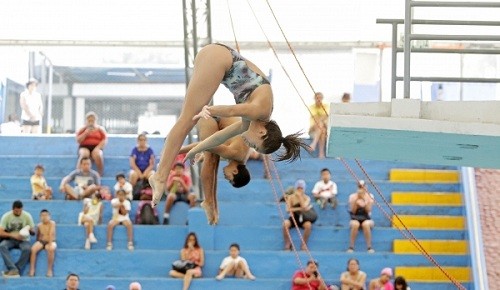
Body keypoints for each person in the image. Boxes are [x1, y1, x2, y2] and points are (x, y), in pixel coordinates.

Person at [149, 43, 309, 206]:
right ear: (262, 133)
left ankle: (160, 175)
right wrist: (209, 110)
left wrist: (194, 151)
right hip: (219, 59)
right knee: (187, 120)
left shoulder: (253, 120)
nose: (250, 146)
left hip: (219, 58)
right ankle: (160, 177)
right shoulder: (259, 110)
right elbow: (232, 110)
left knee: (188, 120)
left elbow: (219, 137)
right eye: (255, 146)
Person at [178, 116, 251, 225]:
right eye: (230, 179)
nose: (226, 178)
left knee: (213, 157)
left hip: (219, 121)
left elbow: (217, 149)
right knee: (211, 157)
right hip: (210, 116)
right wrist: (178, 151)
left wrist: (215, 207)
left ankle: (212, 204)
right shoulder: (235, 153)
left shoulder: (239, 157)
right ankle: (208, 201)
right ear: (235, 171)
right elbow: (205, 145)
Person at [0, 200, 35, 277]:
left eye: (20, 211)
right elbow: (1, 232)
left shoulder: (27, 216)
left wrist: (29, 230)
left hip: (23, 240)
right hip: (11, 239)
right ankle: (12, 268)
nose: (18, 213)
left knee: (27, 249)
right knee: (2, 246)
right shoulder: (6, 216)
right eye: (16, 211)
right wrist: (13, 235)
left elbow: (33, 232)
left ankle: (16, 269)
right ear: (13, 209)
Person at [283, 180, 317, 251]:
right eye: (298, 188)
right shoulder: (291, 197)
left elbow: (304, 206)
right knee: (285, 224)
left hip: (303, 217)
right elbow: (288, 209)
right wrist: (299, 208)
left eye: (301, 188)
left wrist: (300, 197)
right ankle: (288, 243)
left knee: (308, 225)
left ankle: (303, 244)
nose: (299, 190)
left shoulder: (306, 198)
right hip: (293, 217)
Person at [347, 180, 375, 253]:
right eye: (360, 187)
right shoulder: (352, 196)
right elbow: (353, 211)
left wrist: (364, 200)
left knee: (365, 224)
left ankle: (369, 246)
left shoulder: (370, 196)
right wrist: (357, 201)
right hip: (355, 217)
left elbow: (368, 210)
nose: (362, 188)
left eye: (363, 186)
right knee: (355, 224)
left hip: (366, 218)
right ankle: (351, 247)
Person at [76, 111, 107, 176]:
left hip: (96, 147)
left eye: (92, 120)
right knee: (84, 154)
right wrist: (85, 133)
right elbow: (78, 140)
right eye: (89, 120)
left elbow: (104, 140)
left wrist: (98, 148)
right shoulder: (82, 129)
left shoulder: (100, 129)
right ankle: (78, 173)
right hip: (84, 146)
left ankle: (100, 174)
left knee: (98, 155)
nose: (91, 122)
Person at [29, 209, 56, 277]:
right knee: (33, 249)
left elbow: (51, 234)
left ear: (49, 216)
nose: (44, 217)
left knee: (51, 249)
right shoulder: (39, 225)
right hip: (42, 241)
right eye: (42, 215)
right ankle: (32, 269)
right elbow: (38, 236)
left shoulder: (52, 223)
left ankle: (49, 270)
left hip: (51, 241)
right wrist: (38, 242)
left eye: (46, 215)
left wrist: (49, 244)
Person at [308, 92, 329, 159]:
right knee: (321, 125)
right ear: (314, 99)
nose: (318, 99)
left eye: (320, 98)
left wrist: (322, 119)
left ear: (322, 98)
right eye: (317, 98)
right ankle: (321, 153)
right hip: (313, 130)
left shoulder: (326, 106)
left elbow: (326, 116)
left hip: (322, 129)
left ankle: (314, 144)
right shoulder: (312, 107)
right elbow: (316, 119)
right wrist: (322, 119)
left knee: (322, 129)